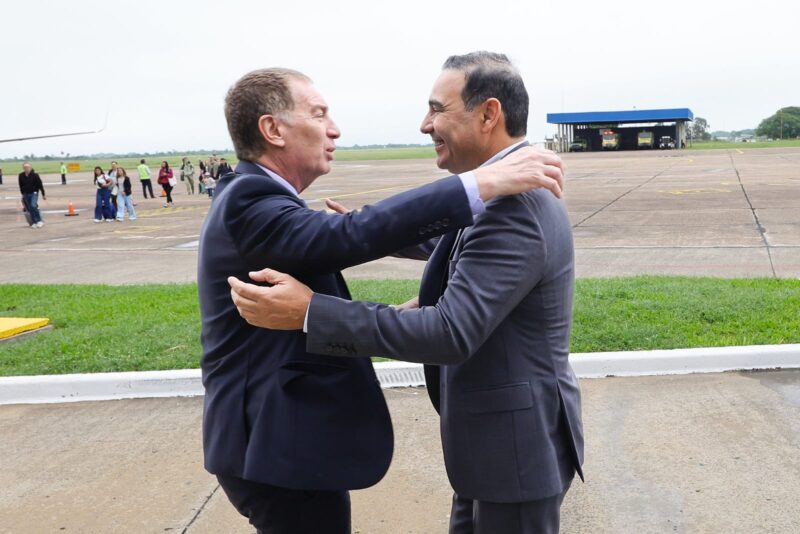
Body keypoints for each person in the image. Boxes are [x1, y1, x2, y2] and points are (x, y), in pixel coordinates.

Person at [197, 67, 564, 534]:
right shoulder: (250, 198)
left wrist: (385, 311)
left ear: (489, 115)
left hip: (282, 444)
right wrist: (480, 183)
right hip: (272, 446)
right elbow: (346, 236)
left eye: (437, 109)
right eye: (319, 114)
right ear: (272, 129)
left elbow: (442, 271)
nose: (334, 129)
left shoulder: (520, 205)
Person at [18, 162, 46, 228]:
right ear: (23, 168)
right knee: (30, 208)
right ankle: (34, 222)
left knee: (33, 205)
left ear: (30, 168)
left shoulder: (35, 175)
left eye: (28, 167)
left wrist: (43, 194)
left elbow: (40, 185)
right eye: (25, 167)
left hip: (34, 193)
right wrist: (23, 193)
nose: (26, 168)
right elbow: (20, 185)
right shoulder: (21, 175)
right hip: (26, 194)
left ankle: (39, 221)